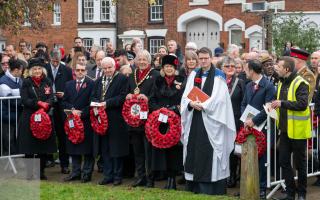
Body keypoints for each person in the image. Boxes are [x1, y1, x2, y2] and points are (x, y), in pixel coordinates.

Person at [181, 47, 236, 195]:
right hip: (195, 120)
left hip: (212, 121)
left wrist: (203, 105)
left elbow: (220, 100)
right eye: (201, 58)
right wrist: (190, 104)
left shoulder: (219, 76)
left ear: (211, 58)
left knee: (209, 150)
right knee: (193, 148)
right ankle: (194, 186)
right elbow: (186, 95)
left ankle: (211, 188)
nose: (203, 61)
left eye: (206, 58)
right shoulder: (194, 74)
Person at [271, 56, 310, 200]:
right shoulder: (281, 82)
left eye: (279, 67)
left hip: (298, 131)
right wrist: (273, 105)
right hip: (285, 130)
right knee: (283, 161)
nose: (276, 69)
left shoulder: (301, 82)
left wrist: (282, 103)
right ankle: (290, 192)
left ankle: (301, 194)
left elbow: (302, 104)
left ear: (286, 69)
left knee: (300, 164)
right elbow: (279, 102)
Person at [91, 57, 129, 186]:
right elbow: (93, 96)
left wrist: (107, 103)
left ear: (115, 67)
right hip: (101, 121)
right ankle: (107, 175)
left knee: (116, 149)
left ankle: (118, 176)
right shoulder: (97, 82)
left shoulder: (122, 79)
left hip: (116, 120)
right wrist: (96, 104)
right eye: (104, 68)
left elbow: (123, 97)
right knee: (105, 149)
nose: (107, 70)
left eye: (109, 68)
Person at [149, 54, 185, 190]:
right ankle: (164, 178)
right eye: (166, 66)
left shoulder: (182, 80)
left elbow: (184, 100)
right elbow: (152, 100)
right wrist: (160, 110)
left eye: (171, 66)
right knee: (162, 150)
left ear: (175, 68)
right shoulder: (157, 80)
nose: (169, 69)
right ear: (163, 68)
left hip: (175, 121)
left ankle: (172, 180)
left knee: (174, 151)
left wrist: (174, 110)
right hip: (161, 121)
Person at [17, 57, 57, 180]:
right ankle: (29, 173)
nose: (37, 71)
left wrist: (46, 105)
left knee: (42, 147)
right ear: (31, 71)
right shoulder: (27, 82)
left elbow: (51, 97)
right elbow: (24, 99)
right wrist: (38, 103)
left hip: (44, 117)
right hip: (29, 117)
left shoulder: (47, 81)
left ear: (43, 70)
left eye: (39, 68)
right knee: (29, 148)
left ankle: (41, 172)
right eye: (35, 69)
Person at [241, 59, 275, 199]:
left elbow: (268, 107)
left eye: (246, 69)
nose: (244, 71)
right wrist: (245, 119)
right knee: (249, 156)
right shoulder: (248, 85)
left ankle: (261, 188)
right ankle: (249, 186)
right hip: (249, 127)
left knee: (261, 159)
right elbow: (243, 103)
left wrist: (253, 121)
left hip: (263, 128)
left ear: (252, 71)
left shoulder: (268, 86)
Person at [127, 50, 159, 188]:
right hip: (134, 120)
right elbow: (127, 90)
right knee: (137, 150)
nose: (141, 62)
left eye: (144, 59)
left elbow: (157, 95)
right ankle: (140, 176)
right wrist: (128, 96)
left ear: (149, 61)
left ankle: (150, 178)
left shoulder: (155, 75)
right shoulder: (132, 75)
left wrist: (147, 99)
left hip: (148, 119)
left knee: (148, 150)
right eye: (139, 59)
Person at [62, 63, 95, 183]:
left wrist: (81, 113)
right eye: (78, 70)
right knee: (73, 147)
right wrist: (72, 110)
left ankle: (86, 173)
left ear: (86, 71)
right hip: (72, 121)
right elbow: (64, 102)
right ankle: (75, 172)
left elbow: (93, 102)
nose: (80, 72)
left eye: (82, 70)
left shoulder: (91, 84)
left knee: (87, 149)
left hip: (85, 120)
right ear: (74, 72)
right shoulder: (68, 84)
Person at [45, 49, 73, 174]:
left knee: (62, 135)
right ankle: (46, 160)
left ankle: (64, 164)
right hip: (48, 105)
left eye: (58, 61)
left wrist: (64, 93)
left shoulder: (66, 70)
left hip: (61, 106)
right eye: (53, 61)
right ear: (49, 59)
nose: (55, 63)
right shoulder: (44, 69)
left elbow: (71, 87)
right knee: (47, 133)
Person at [221, 56, 245, 188]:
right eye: (227, 66)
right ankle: (222, 175)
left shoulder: (240, 82)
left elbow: (243, 102)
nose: (230, 68)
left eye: (233, 66)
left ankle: (232, 177)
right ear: (222, 68)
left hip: (235, 120)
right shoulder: (218, 81)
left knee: (233, 150)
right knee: (222, 148)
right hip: (220, 120)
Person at [0, 58, 24, 155]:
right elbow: (11, 100)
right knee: (8, 142)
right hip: (7, 117)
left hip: (17, 116)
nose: (22, 72)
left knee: (17, 140)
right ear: (16, 70)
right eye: (21, 70)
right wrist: (24, 100)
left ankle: (16, 162)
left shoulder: (20, 80)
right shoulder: (3, 81)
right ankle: (8, 164)